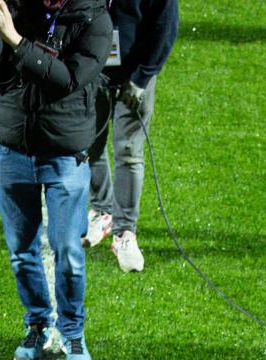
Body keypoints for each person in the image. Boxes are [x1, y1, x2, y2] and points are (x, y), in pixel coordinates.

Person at [0, 0, 113, 360]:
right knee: (22, 251)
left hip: (64, 155)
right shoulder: (15, 5)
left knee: (67, 249)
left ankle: (73, 331)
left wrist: (14, 39)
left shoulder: (95, 19)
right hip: (11, 151)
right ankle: (36, 325)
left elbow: (67, 79)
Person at [82, 0, 179, 273]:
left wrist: (142, 79)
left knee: (128, 151)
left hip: (136, 75)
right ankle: (102, 212)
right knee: (88, 142)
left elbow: (166, 28)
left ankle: (125, 233)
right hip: (92, 70)